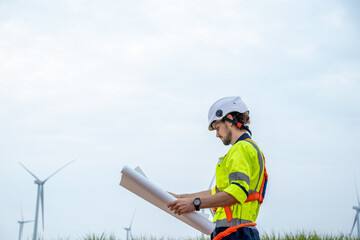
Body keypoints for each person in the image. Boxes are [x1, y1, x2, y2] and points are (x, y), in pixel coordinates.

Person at [167, 96, 268, 240]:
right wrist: (180, 198)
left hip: (236, 234)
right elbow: (217, 192)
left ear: (229, 119)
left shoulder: (241, 148)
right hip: (236, 233)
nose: (217, 134)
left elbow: (237, 192)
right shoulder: (244, 148)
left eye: (217, 128)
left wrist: (195, 204)